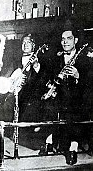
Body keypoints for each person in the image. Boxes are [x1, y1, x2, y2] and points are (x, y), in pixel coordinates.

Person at [40, 24, 91, 165]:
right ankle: (49, 141)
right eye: (63, 39)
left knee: (75, 110)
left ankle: (73, 148)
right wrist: (51, 87)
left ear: (75, 41)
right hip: (59, 96)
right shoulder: (56, 58)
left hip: (78, 98)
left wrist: (77, 74)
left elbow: (89, 82)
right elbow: (47, 77)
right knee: (48, 105)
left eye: (69, 38)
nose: (65, 42)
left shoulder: (85, 60)